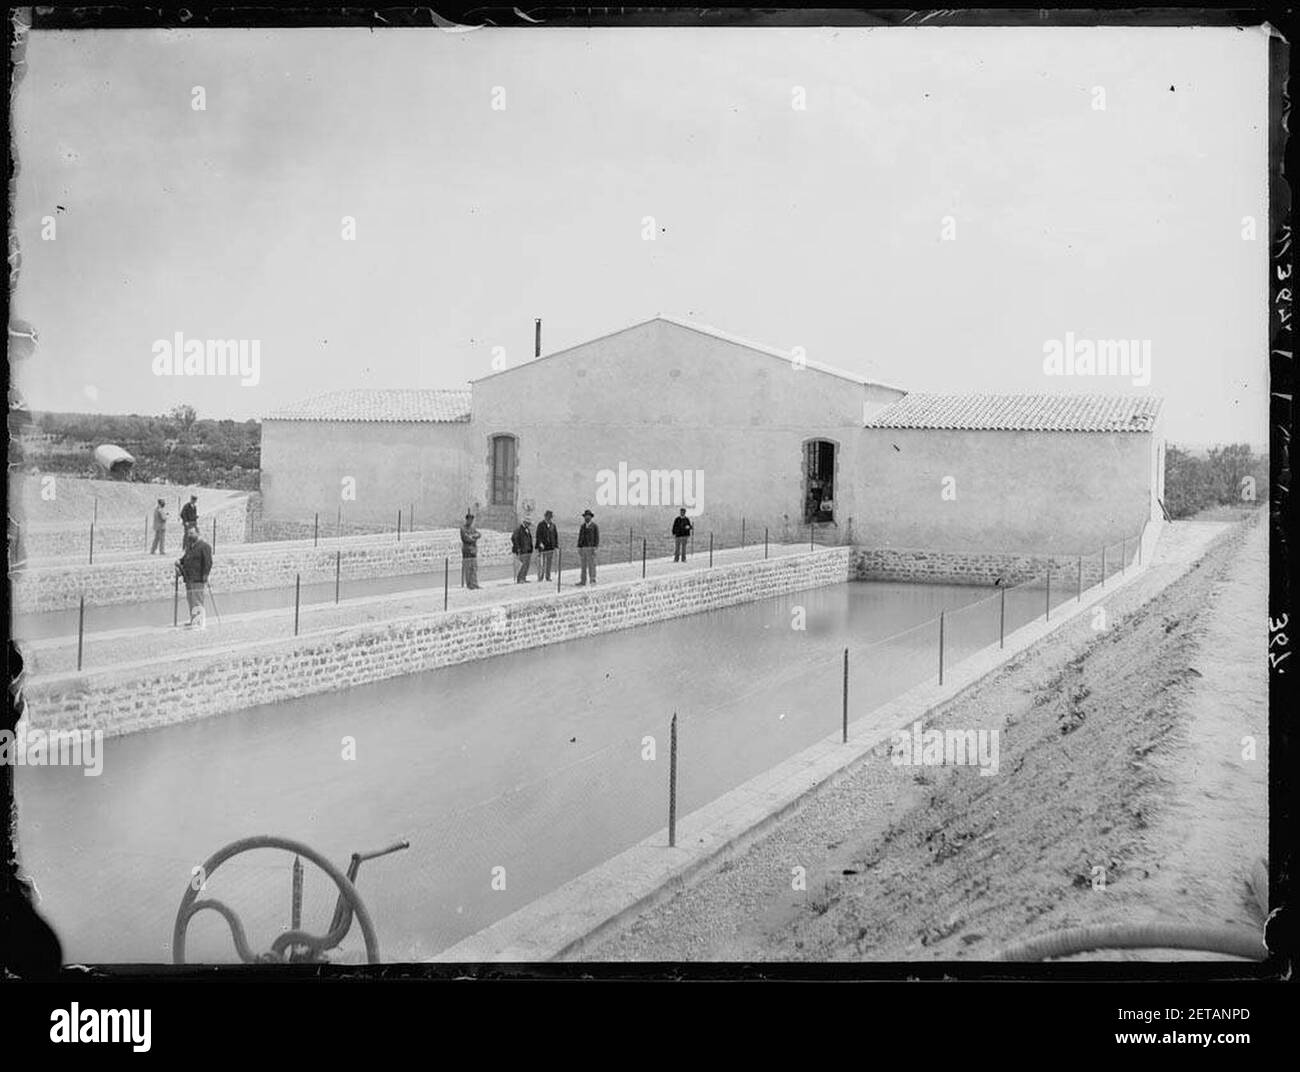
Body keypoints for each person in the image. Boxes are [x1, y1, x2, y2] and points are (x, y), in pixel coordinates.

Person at [176, 528, 213, 629]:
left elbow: (208, 562)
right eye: (188, 533)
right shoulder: (190, 547)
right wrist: (179, 561)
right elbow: (185, 558)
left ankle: (200, 622)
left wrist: (205, 575)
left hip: (198, 579)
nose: (190, 535)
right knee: (191, 600)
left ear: (198, 533)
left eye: (192, 533)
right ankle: (193, 620)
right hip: (189, 578)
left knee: (198, 600)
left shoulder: (204, 546)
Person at [577, 509, 599, 586]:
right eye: (586, 516)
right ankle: (583, 581)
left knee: (592, 565)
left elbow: (597, 538)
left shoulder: (594, 526)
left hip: (591, 548)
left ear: (591, 517)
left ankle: (592, 580)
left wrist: (595, 547)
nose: (587, 517)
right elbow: (580, 537)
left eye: (588, 516)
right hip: (583, 548)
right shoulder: (582, 526)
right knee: (583, 566)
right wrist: (579, 547)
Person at [534, 509, 558, 581]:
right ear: (545, 517)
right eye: (547, 517)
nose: (549, 518)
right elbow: (538, 535)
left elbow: (555, 536)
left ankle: (548, 576)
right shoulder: (541, 525)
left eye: (550, 517)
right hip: (543, 547)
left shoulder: (553, 525)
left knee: (549, 562)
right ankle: (541, 576)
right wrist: (540, 543)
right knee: (542, 563)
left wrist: (556, 545)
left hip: (550, 547)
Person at [460, 511, 481, 589]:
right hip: (467, 551)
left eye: (472, 520)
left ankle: (475, 584)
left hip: (473, 551)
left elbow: (479, 534)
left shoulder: (473, 528)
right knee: (468, 569)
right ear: (467, 520)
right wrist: (473, 537)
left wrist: (473, 536)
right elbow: (466, 538)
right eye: (470, 520)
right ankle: (470, 585)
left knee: (474, 568)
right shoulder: (463, 528)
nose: (471, 521)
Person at [511, 518, 534, 583]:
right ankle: (520, 578)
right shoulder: (518, 530)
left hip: (527, 550)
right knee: (523, 565)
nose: (529, 525)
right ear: (524, 523)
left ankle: (523, 577)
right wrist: (518, 548)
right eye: (528, 523)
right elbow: (514, 538)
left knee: (526, 565)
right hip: (522, 551)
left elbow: (529, 539)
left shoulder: (527, 530)